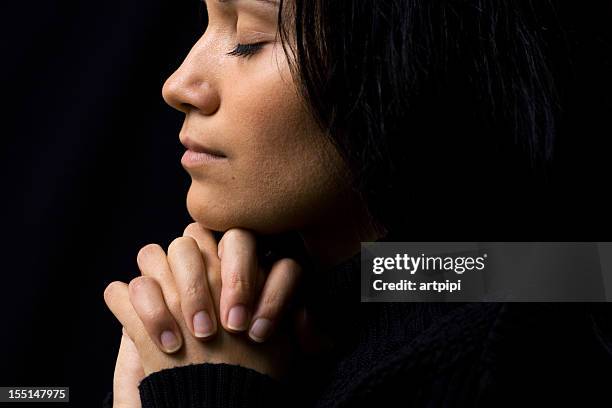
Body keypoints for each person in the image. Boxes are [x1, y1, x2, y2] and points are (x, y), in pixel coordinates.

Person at [104, 0, 612, 407]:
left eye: (247, 40)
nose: (178, 85)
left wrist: (205, 392)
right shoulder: (308, 309)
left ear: (411, 55)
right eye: (208, 23)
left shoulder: (518, 349)